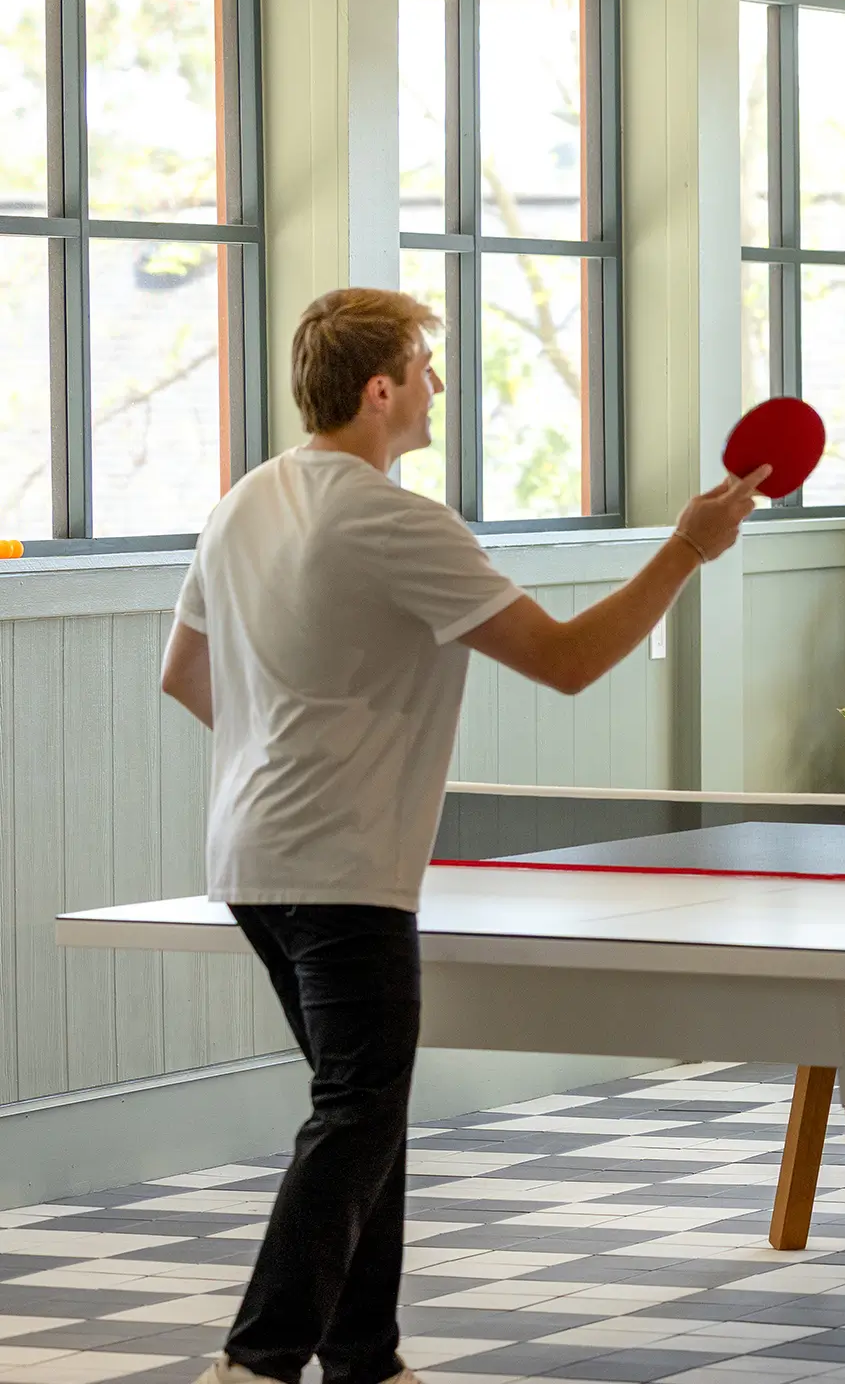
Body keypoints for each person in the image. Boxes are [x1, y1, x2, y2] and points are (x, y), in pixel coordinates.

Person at [165, 288, 767, 1384]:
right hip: (344, 868)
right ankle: (256, 1362)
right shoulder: (393, 519)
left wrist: (290, 750)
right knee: (357, 1110)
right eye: (425, 367)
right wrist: (686, 546)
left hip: (252, 857)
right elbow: (571, 659)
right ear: (380, 388)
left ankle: (365, 1356)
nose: (438, 386)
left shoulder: (241, 502)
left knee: (365, 1107)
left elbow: (183, 673)